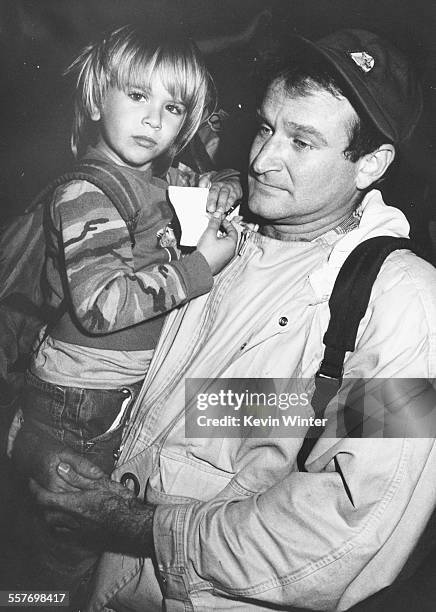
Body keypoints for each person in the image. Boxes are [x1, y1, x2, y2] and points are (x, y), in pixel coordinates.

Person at [29, 29, 436, 611]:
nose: (262, 159)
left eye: (302, 142)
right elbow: (194, 405)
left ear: (370, 163)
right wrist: (47, 451)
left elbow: (343, 526)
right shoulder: (217, 235)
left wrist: (136, 524)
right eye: (267, 127)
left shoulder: (411, 307)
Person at [11, 23, 240, 603]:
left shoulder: (152, 178)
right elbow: (101, 305)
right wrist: (200, 268)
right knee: (70, 539)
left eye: (172, 106)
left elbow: (196, 185)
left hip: (108, 396)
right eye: (137, 97)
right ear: (95, 98)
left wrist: (223, 182)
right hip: (78, 399)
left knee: (89, 536)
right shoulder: (88, 190)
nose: (153, 120)